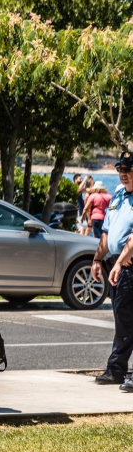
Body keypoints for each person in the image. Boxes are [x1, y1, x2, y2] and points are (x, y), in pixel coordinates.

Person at [93, 152, 133, 388]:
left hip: (128, 264)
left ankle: (117, 369)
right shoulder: (118, 194)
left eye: (128, 169)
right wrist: (98, 259)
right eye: (120, 169)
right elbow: (107, 232)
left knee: (127, 321)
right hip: (117, 264)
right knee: (123, 321)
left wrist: (119, 263)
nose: (123, 174)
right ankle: (116, 370)